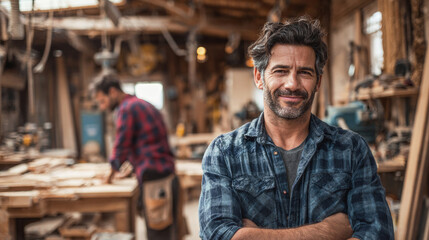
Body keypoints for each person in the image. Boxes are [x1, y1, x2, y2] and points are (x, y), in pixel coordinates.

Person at [199, 16, 394, 240]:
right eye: (280, 71)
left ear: (318, 82)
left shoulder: (351, 150)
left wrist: (251, 235)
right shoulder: (224, 152)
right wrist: (329, 231)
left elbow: (379, 233)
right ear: (259, 77)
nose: (292, 84)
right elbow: (217, 235)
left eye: (305, 72)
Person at [93, 75, 180, 240]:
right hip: (163, 176)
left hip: (156, 180)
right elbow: (145, 144)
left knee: (158, 234)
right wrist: (129, 168)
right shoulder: (140, 103)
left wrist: (110, 174)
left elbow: (121, 144)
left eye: (103, 100)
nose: (102, 107)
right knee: (165, 232)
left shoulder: (127, 108)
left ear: (112, 92)